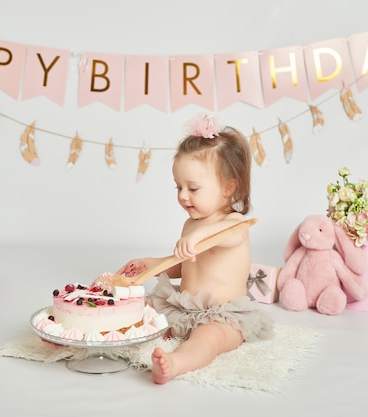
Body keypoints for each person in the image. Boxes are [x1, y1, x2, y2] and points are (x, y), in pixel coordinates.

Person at [117, 115, 274, 384]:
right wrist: (152, 264)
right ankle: (97, 333)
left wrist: (199, 234)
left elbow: (221, 237)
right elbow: (188, 264)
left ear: (228, 187)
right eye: (178, 187)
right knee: (139, 312)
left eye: (193, 188)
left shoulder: (235, 224)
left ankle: (176, 362)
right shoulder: (192, 223)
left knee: (208, 340)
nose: (182, 195)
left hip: (224, 314)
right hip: (184, 307)